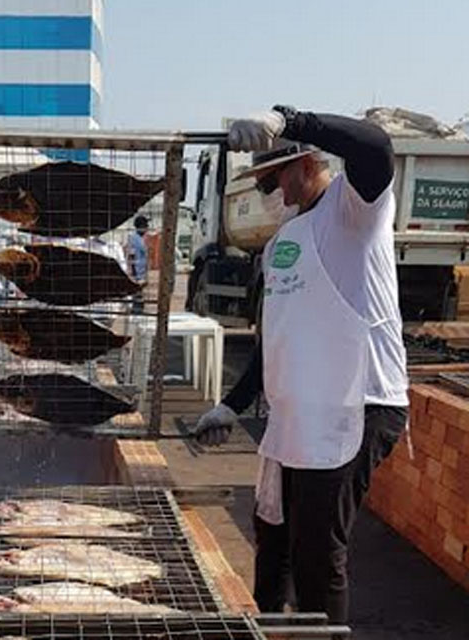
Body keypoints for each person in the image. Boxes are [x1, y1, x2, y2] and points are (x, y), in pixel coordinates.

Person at [192, 106, 408, 628]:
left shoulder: (354, 210)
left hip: (355, 405)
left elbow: (376, 145)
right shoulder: (287, 237)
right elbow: (277, 341)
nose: (276, 195)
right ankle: (269, 628)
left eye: (277, 179)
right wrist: (229, 404)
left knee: (316, 551)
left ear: (309, 163)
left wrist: (288, 119)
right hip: (297, 417)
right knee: (273, 536)